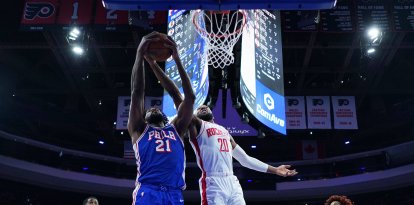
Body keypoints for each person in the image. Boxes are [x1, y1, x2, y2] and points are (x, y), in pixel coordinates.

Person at [146, 37, 298, 205]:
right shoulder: (196, 125)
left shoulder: (224, 132)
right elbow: (177, 95)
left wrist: (275, 170)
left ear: (213, 115)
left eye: (205, 107)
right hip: (213, 184)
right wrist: (155, 65)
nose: (202, 107)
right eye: (198, 108)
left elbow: (245, 160)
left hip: (232, 182)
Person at [128, 31, 195, 205]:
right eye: (149, 109)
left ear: (165, 119)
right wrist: (139, 55)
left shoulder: (177, 129)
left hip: (174, 194)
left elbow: (188, 97)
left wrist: (177, 59)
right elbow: (137, 93)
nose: (153, 108)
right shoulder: (139, 129)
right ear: (145, 117)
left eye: (155, 108)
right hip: (148, 191)